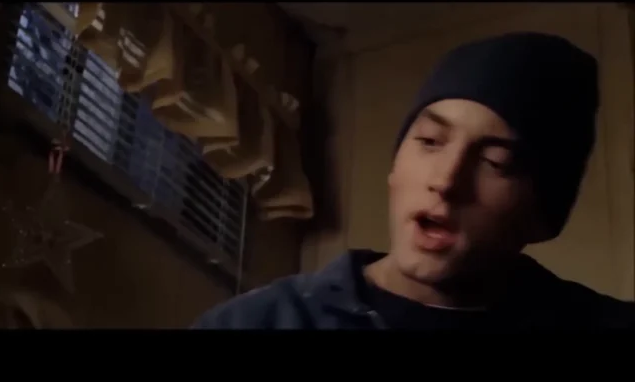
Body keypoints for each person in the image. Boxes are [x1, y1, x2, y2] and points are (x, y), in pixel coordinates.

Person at [191, 32, 635, 329]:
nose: (446, 180)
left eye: (496, 162)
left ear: (543, 215)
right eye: (429, 141)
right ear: (394, 168)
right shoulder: (258, 321)